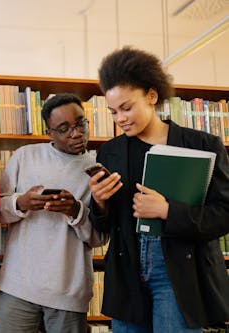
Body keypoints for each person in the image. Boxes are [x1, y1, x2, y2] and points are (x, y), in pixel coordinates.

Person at [88, 46, 229, 333]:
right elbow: (104, 225)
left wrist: (167, 211)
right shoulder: (110, 152)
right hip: (126, 273)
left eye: (127, 107)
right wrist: (99, 203)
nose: (120, 119)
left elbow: (224, 214)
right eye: (113, 112)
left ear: (152, 96)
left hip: (179, 272)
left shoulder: (202, 145)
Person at [0, 93, 109, 333]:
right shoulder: (25, 156)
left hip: (69, 291)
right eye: (64, 128)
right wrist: (22, 203)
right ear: (50, 132)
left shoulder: (98, 170)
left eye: (80, 124)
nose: (76, 133)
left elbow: (100, 238)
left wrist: (75, 210)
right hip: (19, 285)